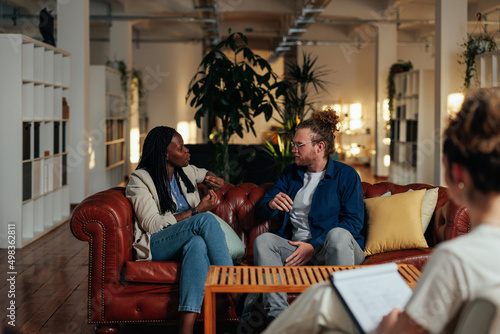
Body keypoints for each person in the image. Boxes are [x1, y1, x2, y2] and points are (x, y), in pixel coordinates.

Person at [262, 88, 500, 334]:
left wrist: (390, 323)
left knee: (323, 299)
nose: (294, 149)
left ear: (455, 175)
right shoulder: (464, 260)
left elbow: (401, 331)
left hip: (336, 258)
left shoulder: (454, 261)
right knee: (325, 302)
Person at [250, 108, 365, 322]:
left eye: (299, 145)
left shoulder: (346, 175)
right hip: (296, 250)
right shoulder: (289, 174)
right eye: (294, 144)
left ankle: (339, 319)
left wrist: (314, 246)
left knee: (338, 235)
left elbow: (353, 223)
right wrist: (271, 203)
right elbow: (261, 209)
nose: (293, 150)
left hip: (335, 249)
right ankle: (279, 320)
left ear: (319, 146)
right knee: (264, 240)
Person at [125, 126, 233, 334]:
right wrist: (197, 211)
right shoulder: (139, 180)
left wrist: (211, 177)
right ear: (165, 154)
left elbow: (201, 173)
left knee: (197, 244)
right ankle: (236, 291)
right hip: (156, 243)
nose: (187, 152)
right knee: (205, 220)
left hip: (183, 240)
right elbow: (152, 225)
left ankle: (186, 329)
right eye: (181, 148)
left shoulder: (184, 171)